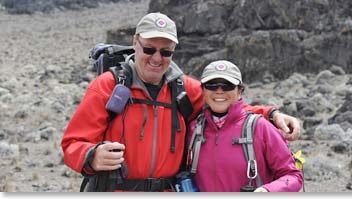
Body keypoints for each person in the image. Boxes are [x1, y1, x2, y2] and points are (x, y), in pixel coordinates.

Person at [61, 12, 301, 192]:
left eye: (166, 52)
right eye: (149, 49)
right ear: (135, 42)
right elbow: (72, 143)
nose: (157, 58)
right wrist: (91, 156)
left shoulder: (183, 88)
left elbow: (225, 104)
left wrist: (270, 114)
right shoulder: (108, 86)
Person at [188, 60, 304, 192]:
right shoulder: (194, 130)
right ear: (202, 90)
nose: (219, 91)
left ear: (240, 91)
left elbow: (293, 176)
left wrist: (268, 190)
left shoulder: (261, 128)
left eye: (227, 86)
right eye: (212, 85)